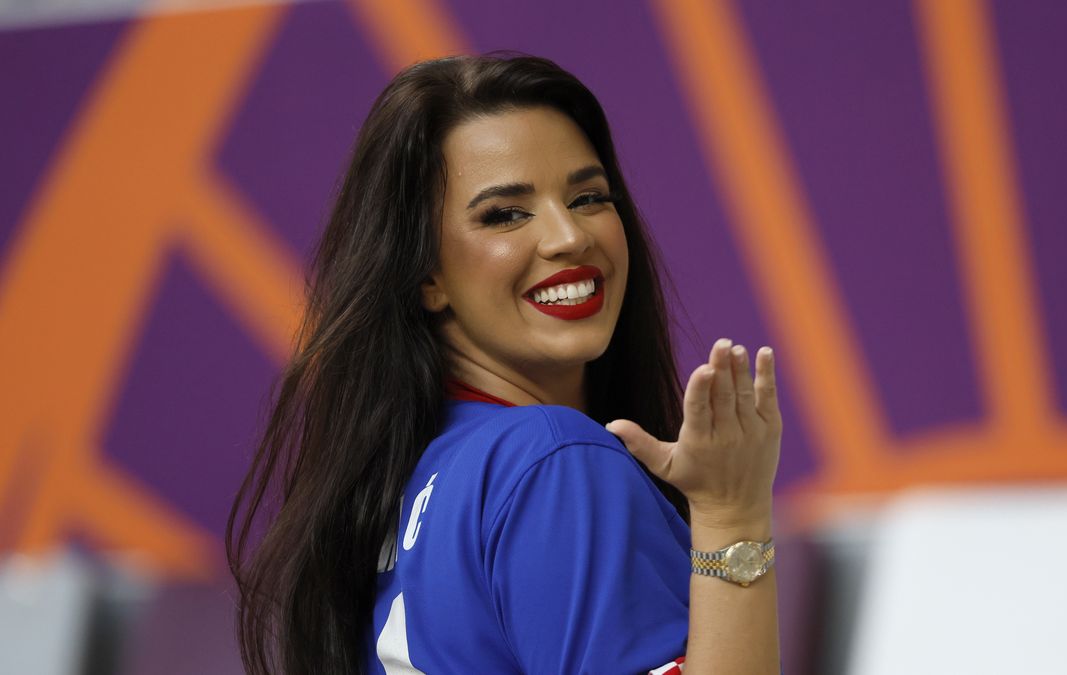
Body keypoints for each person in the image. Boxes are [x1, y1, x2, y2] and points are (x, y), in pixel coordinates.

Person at [227, 54, 781, 674]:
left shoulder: (410, 478)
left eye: (589, 196)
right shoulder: (554, 461)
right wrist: (734, 518)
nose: (568, 236)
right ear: (425, 275)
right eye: (505, 214)